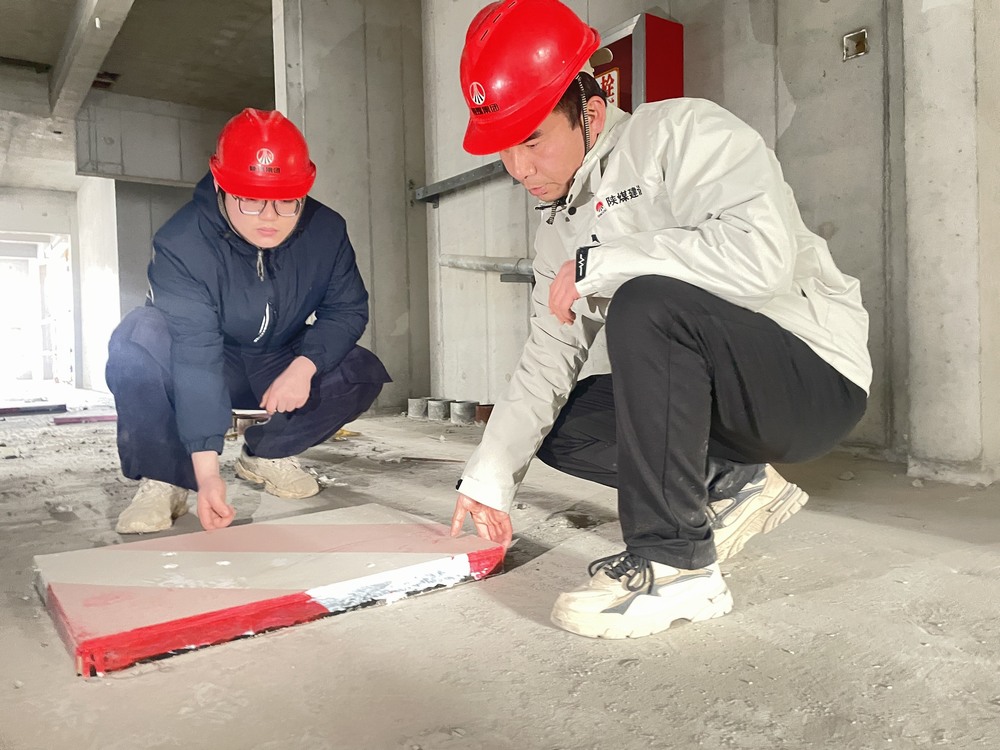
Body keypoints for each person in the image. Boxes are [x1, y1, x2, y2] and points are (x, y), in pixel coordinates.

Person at [448, 0, 870, 639]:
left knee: (648, 302)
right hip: (730, 401)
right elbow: (545, 359)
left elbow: (764, 261)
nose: (519, 169)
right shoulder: (561, 226)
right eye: (505, 150)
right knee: (561, 420)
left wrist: (608, 261)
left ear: (590, 113)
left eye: (532, 140)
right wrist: (489, 477)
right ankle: (734, 483)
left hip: (812, 378)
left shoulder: (682, 134)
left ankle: (678, 567)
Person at [106, 109, 390, 534]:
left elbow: (347, 309)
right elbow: (195, 352)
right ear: (221, 184)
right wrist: (206, 474)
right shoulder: (182, 242)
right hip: (209, 356)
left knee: (358, 369)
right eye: (251, 199)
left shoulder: (326, 231)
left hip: (276, 358)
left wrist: (304, 367)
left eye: (287, 201)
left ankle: (266, 455)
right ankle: (166, 475)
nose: (270, 217)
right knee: (136, 340)